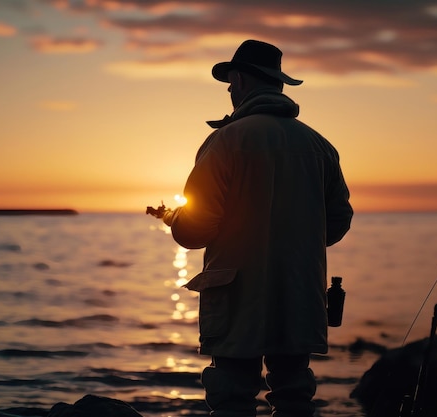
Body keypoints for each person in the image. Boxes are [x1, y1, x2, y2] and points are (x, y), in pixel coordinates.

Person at [149, 39, 353, 417]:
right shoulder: (320, 146)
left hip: (236, 295)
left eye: (230, 81)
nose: (228, 89)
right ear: (277, 84)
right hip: (299, 291)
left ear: (241, 80)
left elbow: (196, 231)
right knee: (294, 396)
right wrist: (296, 242)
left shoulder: (224, 141)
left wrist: (175, 220)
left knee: (232, 397)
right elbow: (339, 221)